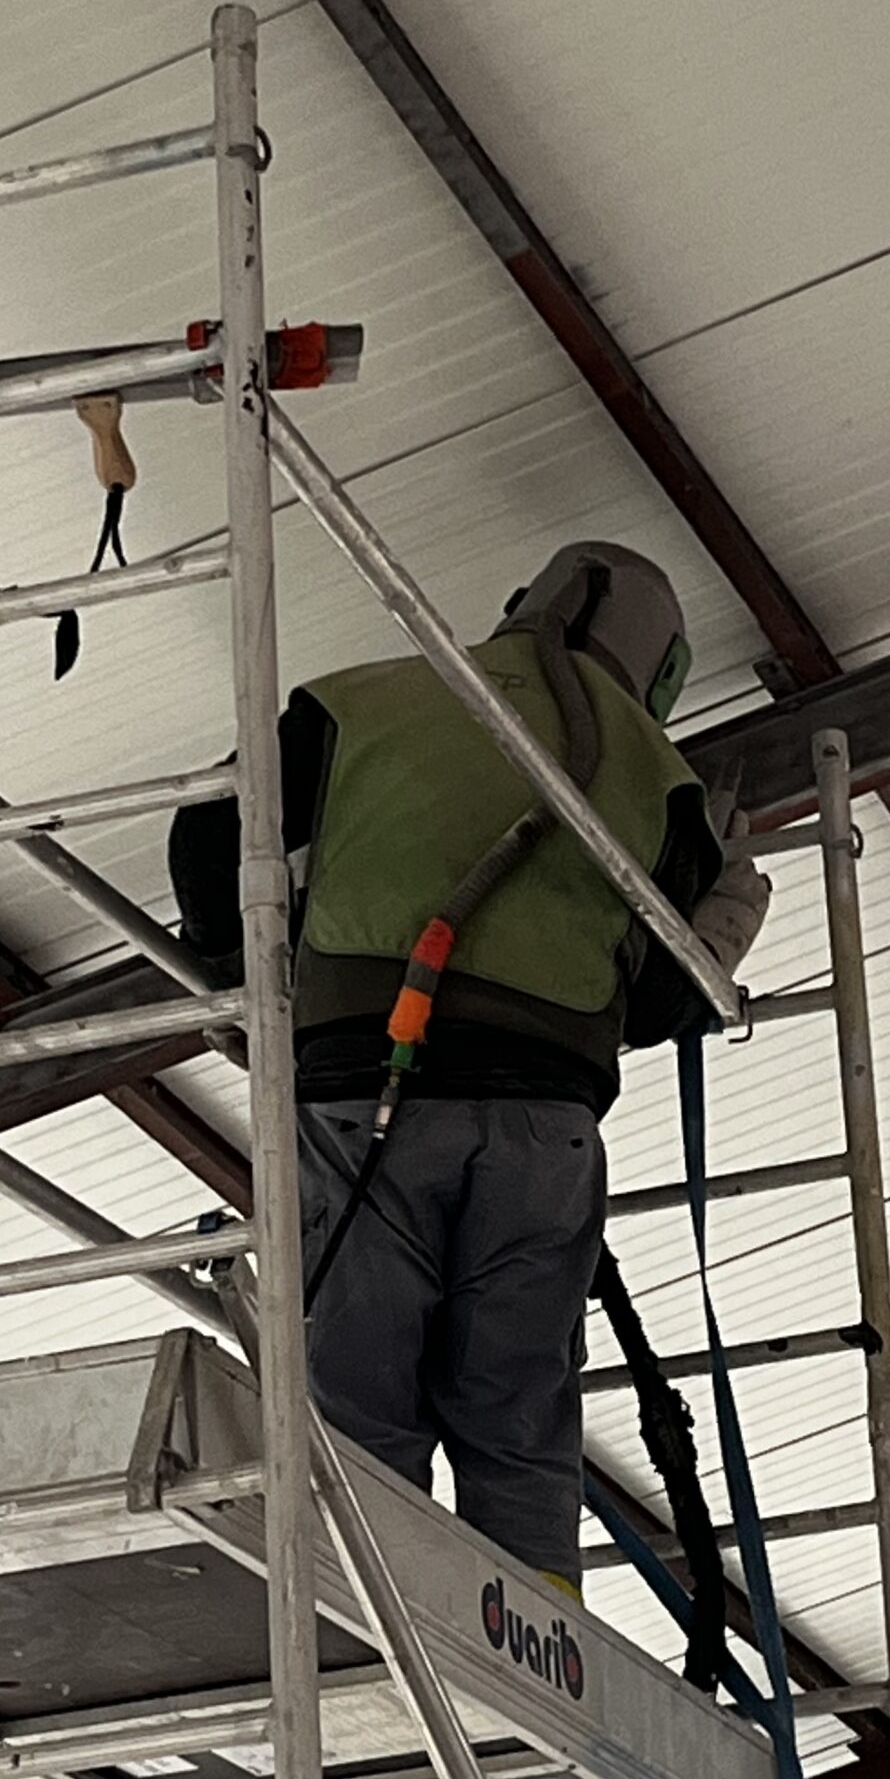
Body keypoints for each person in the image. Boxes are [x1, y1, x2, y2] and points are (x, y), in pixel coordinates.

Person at [169, 541, 769, 1599]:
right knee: (518, 1413)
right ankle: (531, 1647)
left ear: (518, 602)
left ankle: (370, 1627)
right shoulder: (664, 782)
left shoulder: (357, 698)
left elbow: (210, 827)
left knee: (356, 1396)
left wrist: (243, 967)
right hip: (542, 1132)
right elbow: (668, 1003)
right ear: (664, 670)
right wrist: (719, 907)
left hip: (363, 1095)